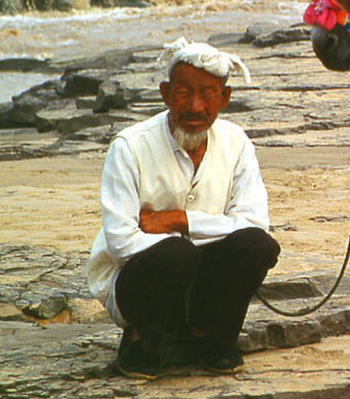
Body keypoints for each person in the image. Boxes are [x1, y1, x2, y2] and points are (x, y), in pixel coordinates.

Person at [87, 37, 280, 379]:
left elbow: (254, 224)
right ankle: (140, 339)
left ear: (225, 98)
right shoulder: (129, 147)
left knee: (257, 245)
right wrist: (195, 242)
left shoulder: (236, 143)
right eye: (183, 93)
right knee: (176, 255)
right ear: (164, 94)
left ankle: (212, 338)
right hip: (139, 284)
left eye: (208, 93)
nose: (195, 106)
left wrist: (181, 221)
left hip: (204, 285)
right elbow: (121, 243)